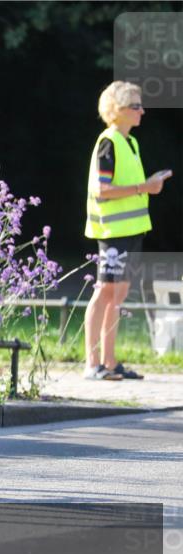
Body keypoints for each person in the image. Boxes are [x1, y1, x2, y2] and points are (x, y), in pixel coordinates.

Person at [83, 82, 171, 381]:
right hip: (112, 233)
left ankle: (110, 363)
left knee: (117, 296)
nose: (142, 111)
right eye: (136, 106)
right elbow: (102, 190)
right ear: (117, 111)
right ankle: (92, 363)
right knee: (104, 292)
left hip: (131, 232)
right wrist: (144, 187)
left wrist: (146, 185)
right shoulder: (108, 142)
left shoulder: (130, 142)